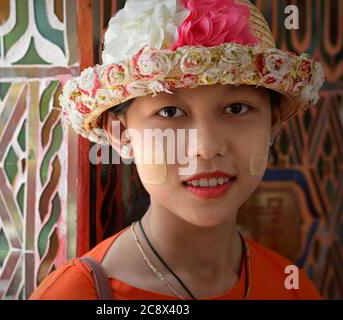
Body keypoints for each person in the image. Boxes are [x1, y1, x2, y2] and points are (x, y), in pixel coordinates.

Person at [30, 0, 325, 300]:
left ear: (272, 123)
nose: (207, 148)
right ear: (121, 133)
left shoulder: (292, 288)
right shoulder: (78, 294)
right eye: (170, 112)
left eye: (236, 108)